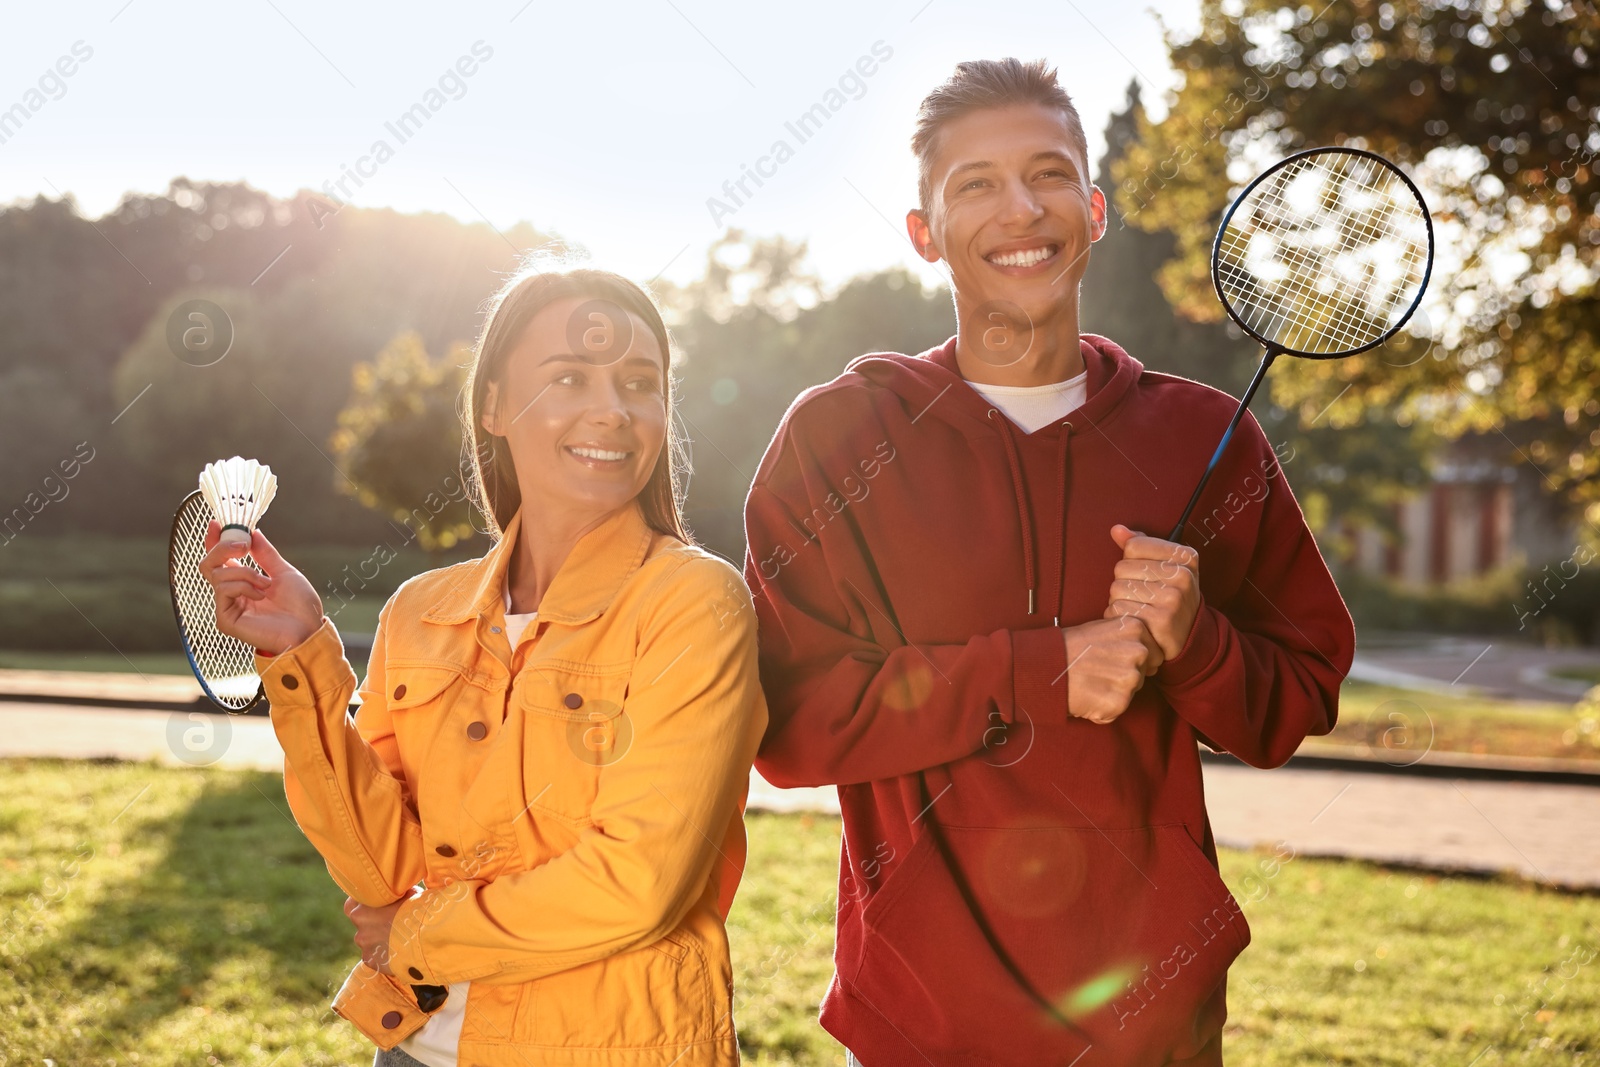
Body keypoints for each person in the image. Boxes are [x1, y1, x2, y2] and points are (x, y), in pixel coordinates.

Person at [742, 58, 1355, 1066]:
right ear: (923, 232)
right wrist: (1041, 667)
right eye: (974, 184)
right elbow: (792, 729)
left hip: (1150, 1026)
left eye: (1048, 174)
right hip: (917, 1029)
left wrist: (1193, 643)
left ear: (1095, 208)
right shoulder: (839, 438)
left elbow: (1296, 701)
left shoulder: (1208, 437)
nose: (1018, 208)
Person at [201, 263, 768, 1067]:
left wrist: (418, 932)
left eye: (641, 382)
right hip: (412, 1049)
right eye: (570, 376)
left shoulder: (694, 602)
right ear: (494, 405)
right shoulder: (418, 609)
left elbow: (640, 882)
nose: (613, 409)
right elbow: (381, 863)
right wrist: (300, 655)